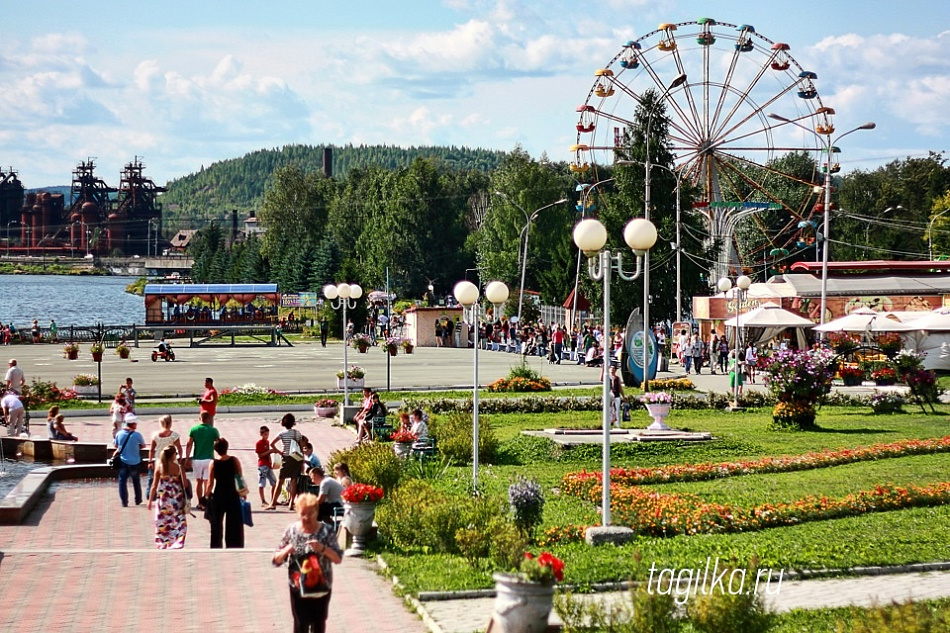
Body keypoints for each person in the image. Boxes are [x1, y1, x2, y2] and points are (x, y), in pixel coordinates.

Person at [272, 492, 343, 633]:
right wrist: (286, 550)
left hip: (321, 585)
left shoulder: (326, 531)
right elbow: (276, 560)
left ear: (317, 512)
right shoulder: (291, 531)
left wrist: (322, 548)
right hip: (298, 586)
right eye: (303, 513)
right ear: (297, 513)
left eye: (311, 513)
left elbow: (337, 558)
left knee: (318, 624)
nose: (307, 517)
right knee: (300, 624)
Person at [207, 437, 245, 549]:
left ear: (216, 449)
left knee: (216, 523)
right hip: (233, 493)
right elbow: (239, 477)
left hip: (219, 494)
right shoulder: (234, 460)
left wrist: (206, 495)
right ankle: (234, 544)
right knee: (234, 522)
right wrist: (243, 492)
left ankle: (216, 545)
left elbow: (210, 482)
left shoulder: (213, 463)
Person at [147, 444, 188, 549]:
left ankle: (163, 542)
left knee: (163, 520)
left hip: (163, 499)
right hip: (176, 499)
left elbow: (154, 486)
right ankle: (177, 541)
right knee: (177, 520)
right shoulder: (178, 467)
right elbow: (185, 484)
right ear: (173, 455)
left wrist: (150, 500)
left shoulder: (160, 467)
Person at [267, 413, 304, 511]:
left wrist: (279, 451)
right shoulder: (297, 433)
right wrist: (302, 459)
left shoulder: (282, 434)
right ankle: (291, 503)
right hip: (296, 458)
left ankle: (273, 503)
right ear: (293, 423)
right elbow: (301, 447)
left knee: (280, 480)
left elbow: (272, 443)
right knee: (294, 480)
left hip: (286, 458)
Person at [186, 410, 220, 510]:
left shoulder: (194, 429)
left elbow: (189, 444)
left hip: (197, 459)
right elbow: (218, 444)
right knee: (207, 482)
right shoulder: (214, 430)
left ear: (200, 418)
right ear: (209, 419)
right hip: (209, 459)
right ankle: (206, 502)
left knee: (198, 482)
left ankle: (200, 502)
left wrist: (187, 458)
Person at [112, 416, 146, 507]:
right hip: (135, 462)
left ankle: (124, 502)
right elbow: (143, 445)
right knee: (136, 481)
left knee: (122, 482)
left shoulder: (119, 434)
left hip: (123, 462)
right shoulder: (137, 435)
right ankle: (138, 500)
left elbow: (116, 446)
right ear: (133, 424)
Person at [148, 415, 183, 496]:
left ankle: (156, 494)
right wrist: (180, 458)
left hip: (159, 460)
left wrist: (150, 461)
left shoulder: (155, 435)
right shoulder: (174, 435)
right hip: (172, 459)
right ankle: (172, 494)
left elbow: (151, 449)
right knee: (172, 479)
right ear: (170, 423)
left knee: (158, 479)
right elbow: (179, 448)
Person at [257, 425, 279, 507]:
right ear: (261, 434)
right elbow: (260, 455)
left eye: (267, 434)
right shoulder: (259, 443)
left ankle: (273, 499)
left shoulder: (267, 442)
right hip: (262, 465)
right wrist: (270, 451)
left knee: (274, 483)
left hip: (268, 465)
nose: (267, 436)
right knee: (262, 483)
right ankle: (263, 500)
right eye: (265, 434)